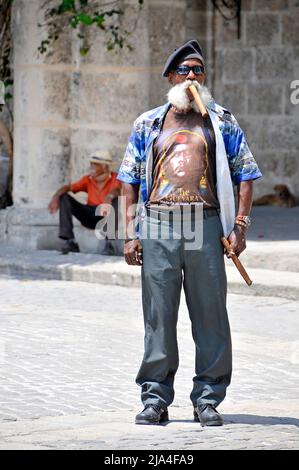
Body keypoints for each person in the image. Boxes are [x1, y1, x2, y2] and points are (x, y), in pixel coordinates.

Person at [117, 39, 262, 427]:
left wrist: (240, 225)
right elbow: (128, 180)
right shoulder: (148, 123)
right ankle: (155, 398)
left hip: (205, 224)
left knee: (211, 315)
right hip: (159, 226)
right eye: (185, 70)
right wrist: (130, 234)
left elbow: (246, 174)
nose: (193, 76)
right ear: (170, 78)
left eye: (199, 70)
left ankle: (208, 398)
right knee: (158, 317)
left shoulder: (222, 121)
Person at [48, 150, 121, 254]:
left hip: (105, 217)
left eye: (94, 165)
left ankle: (110, 243)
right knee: (64, 197)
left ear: (104, 167)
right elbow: (68, 187)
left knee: (116, 200)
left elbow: (117, 190)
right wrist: (55, 197)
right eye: (91, 164)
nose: (90, 167)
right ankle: (70, 241)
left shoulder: (115, 178)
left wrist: (109, 196)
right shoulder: (87, 179)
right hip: (89, 215)